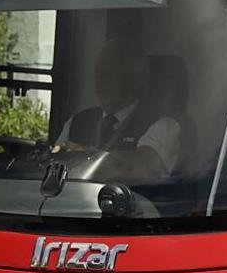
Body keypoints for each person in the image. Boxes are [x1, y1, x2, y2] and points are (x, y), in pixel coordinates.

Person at [54, 36, 182, 176]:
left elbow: (140, 168)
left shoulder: (164, 126)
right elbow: (53, 167)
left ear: (134, 78)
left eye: (107, 73)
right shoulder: (77, 121)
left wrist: (84, 156)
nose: (98, 81)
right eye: (96, 73)